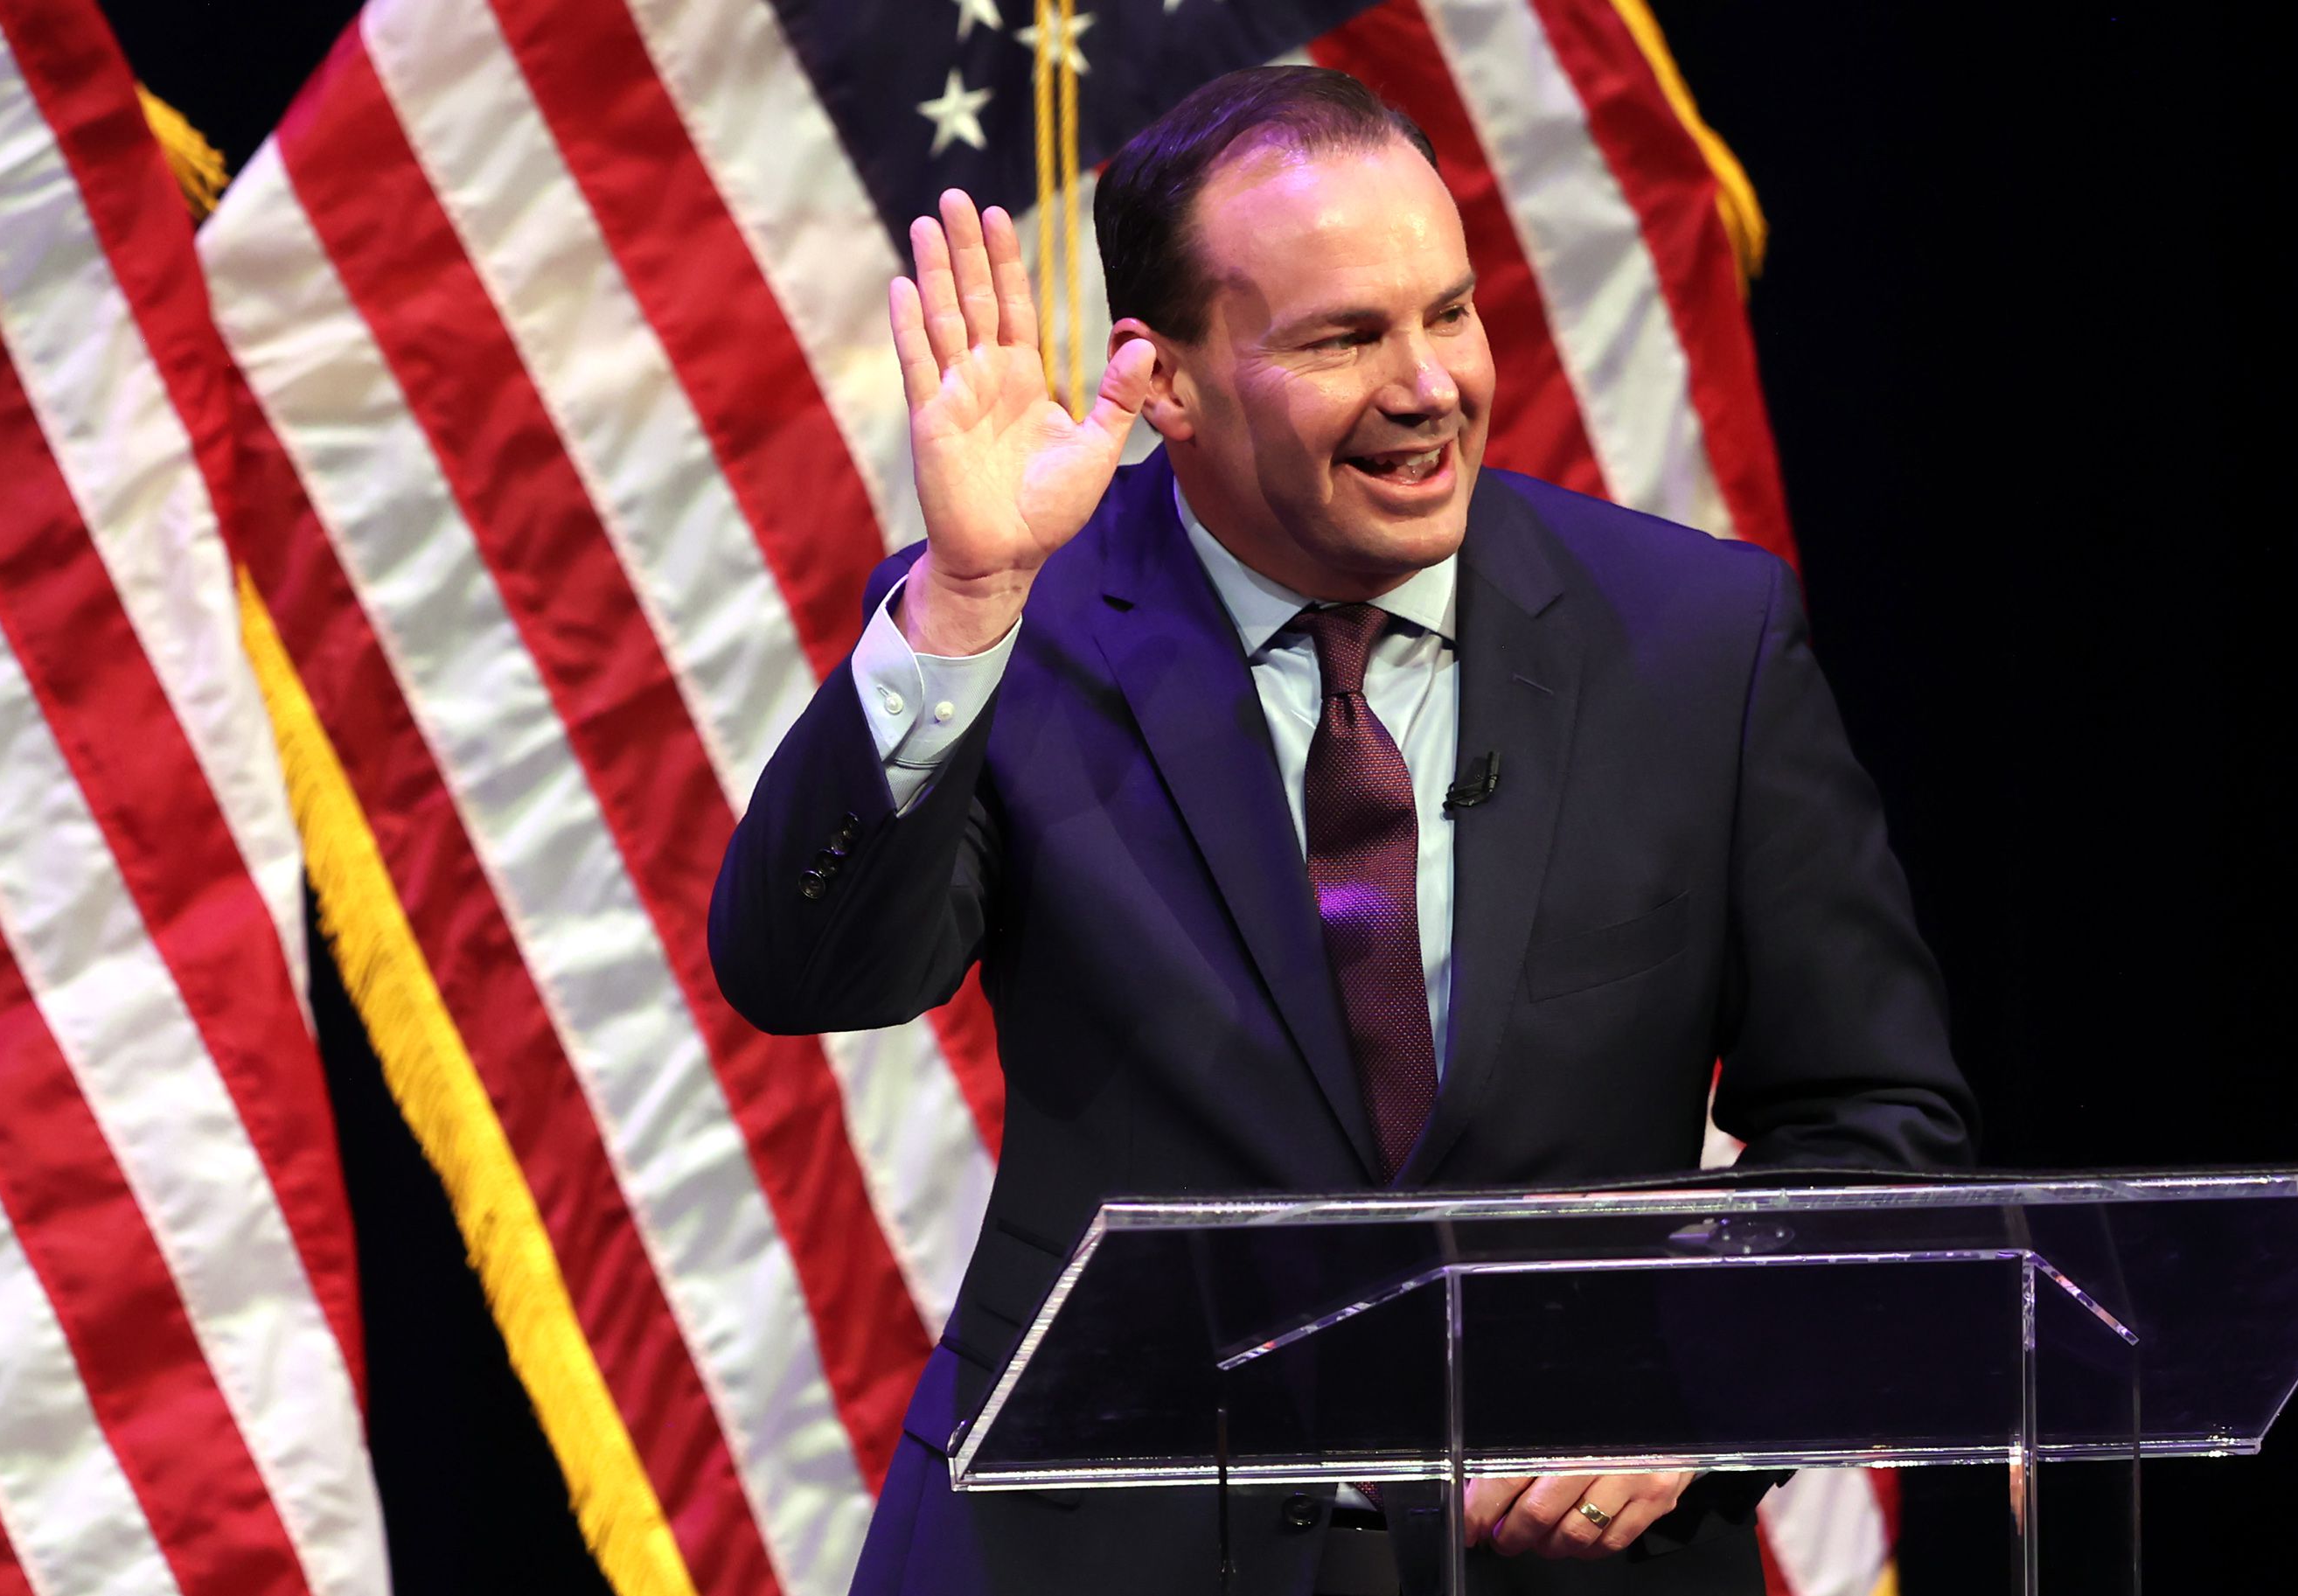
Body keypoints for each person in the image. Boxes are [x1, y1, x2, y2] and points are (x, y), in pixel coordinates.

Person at [711, 66, 1974, 1596]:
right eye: (1343, 338)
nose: (1429, 382)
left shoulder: (1701, 640)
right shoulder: (1017, 631)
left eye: (1447, 312)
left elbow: (1876, 1130)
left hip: (1563, 1558)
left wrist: (1705, 1367)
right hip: (1101, 1551)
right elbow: (804, 971)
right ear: (1163, 382)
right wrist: (966, 605)